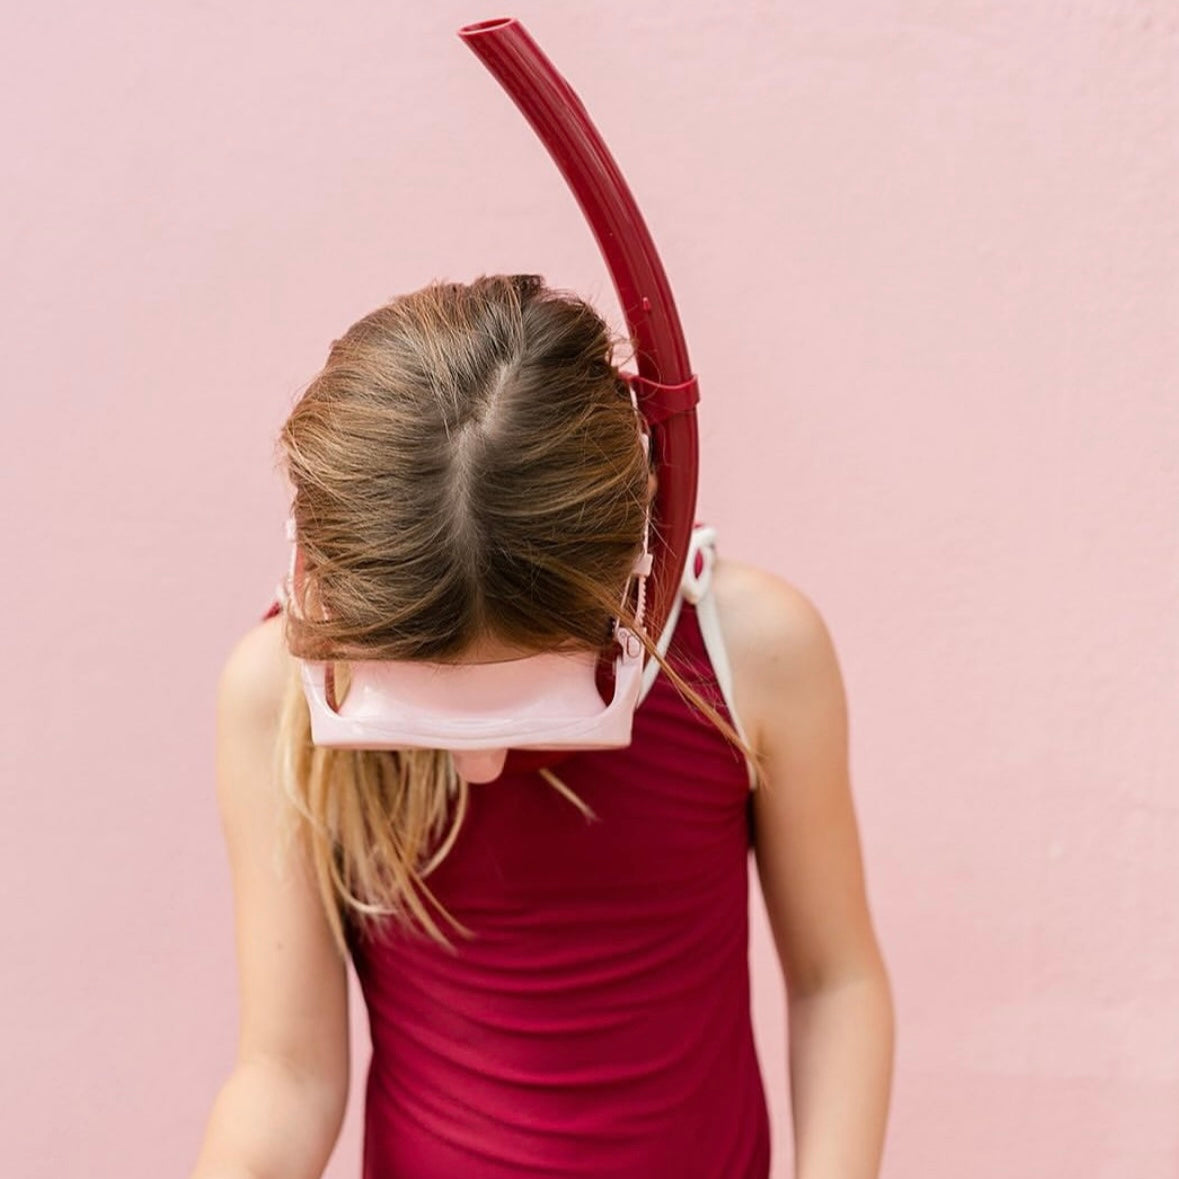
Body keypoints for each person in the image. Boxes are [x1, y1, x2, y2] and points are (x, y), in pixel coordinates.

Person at [190, 274, 894, 1179]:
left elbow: (837, 981)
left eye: (538, 698)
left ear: (632, 574)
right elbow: (285, 1074)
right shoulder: (272, 694)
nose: (481, 767)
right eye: (422, 715)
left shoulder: (753, 654)